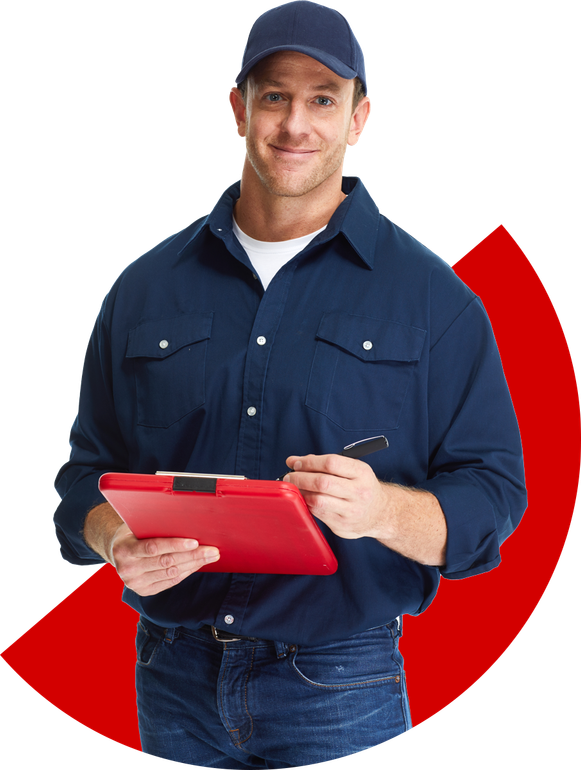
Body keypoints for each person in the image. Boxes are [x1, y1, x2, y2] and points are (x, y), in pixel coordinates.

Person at [53, 1, 527, 767]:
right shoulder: (142, 290)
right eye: (273, 95)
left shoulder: (433, 297)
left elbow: (492, 498)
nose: (294, 124)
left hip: (340, 682)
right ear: (237, 109)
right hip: (167, 674)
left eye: (321, 99)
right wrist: (113, 540)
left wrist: (380, 511)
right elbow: (84, 474)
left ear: (358, 118)